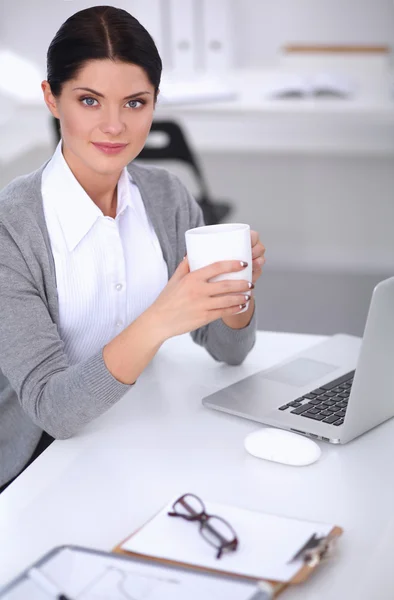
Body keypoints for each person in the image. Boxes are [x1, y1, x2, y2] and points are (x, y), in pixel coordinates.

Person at [0, 6, 265, 491]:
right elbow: (52, 411)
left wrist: (236, 293)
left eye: (135, 103)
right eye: (89, 100)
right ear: (51, 99)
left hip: (136, 436)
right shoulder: (11, 227)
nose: (115, 126)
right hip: (35, 466)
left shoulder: (166, 197)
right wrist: (163, 318)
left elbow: (230, 352)